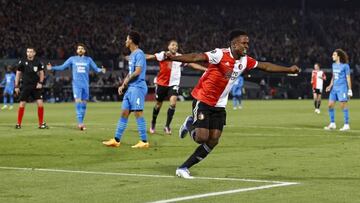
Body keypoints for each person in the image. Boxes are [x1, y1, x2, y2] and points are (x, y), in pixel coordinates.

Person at [167, 30, 300, 179]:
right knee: (201, 138)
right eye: (244, 43)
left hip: (220, 104)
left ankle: (183, 167)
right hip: (203, 99)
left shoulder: (244, 61)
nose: (247, 46)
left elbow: (265, 66)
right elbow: (196, 57)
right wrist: (175, 57)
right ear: (234, 44)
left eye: (247, 43)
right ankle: (189, 123)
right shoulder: (219, 54)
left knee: (213, 140)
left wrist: (288, 69)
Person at [146, 40, 207, 135]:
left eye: (176, 45)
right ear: (168, 46)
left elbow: (191, 64)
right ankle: (153, 123)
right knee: (158, 105)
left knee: (173, 103)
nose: (175, 47)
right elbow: (151, 56)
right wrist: (139, 56)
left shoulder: (180, 57)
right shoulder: (163, 55)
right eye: (173, 45)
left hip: (173, 84)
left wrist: (205, 69)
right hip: (161, 84)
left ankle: (167, 126)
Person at [102, 31, 149, 148]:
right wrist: (123, 85)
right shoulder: (132, 55)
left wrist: (127, 82)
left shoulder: (139, 54)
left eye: (127, 39)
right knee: (124, 113)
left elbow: (137, 72)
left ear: (131, 40)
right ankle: (116, 140)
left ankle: (144, 141)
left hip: (138, 87)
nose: (125, 41)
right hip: (130, 88)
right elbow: (130, 73)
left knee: (138, 113)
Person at [47, 43, 106, 130]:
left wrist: (102, 70)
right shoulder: (72, 59)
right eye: (79, 49)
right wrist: (52, 67)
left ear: (84, 51)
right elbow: (63, 67)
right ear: (77, 51)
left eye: (82, 48)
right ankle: (80, 123)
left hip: (85, 85)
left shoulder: (88, 59)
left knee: (84, 105)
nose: (80, 50)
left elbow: (96, 69)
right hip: (76, 84)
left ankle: (81, 122)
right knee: (78, 102)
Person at [14, 47, 48, 129]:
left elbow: (41, 73)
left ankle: (41, 124)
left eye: (31, 52)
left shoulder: (38, 62)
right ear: (26, 53)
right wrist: (16, 86)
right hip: (25, 86)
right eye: (28, 51)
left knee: (40, 103)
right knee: (22, 104)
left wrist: (40, 82)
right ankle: (18, 124)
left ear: (34, 53)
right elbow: (18, 74)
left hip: (36, 86)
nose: (29, 53)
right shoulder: (22, 62)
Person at [324, 49, 352, 131]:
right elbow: (333, 76)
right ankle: (332, 123)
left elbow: (348, 78)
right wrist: (330, 85)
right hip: (334, 89)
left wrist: (350, 89)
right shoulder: (333, 65)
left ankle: (346, 125)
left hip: (342, 88)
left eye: (334, 55)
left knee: (343, 105)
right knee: (330, 105)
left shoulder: (345, 66)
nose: (332, 56)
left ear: (338, 56)